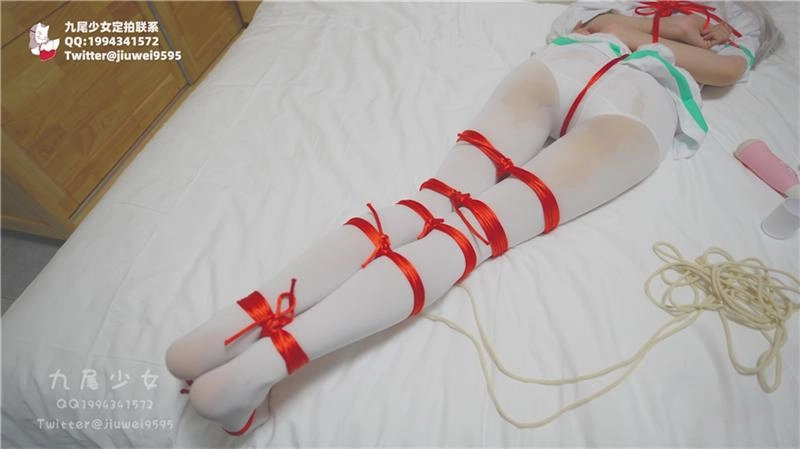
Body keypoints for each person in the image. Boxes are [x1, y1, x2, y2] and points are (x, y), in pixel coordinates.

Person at [165, 0, 780, 435]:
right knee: (465, 231)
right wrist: (669, 33)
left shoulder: (738, 15)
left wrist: (640, 26)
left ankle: (226, 335)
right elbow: (692, 56)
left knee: (429, 206)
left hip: (572, 70)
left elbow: (720, 66)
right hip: (632, 101)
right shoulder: (718, 17)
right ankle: (255, 367)